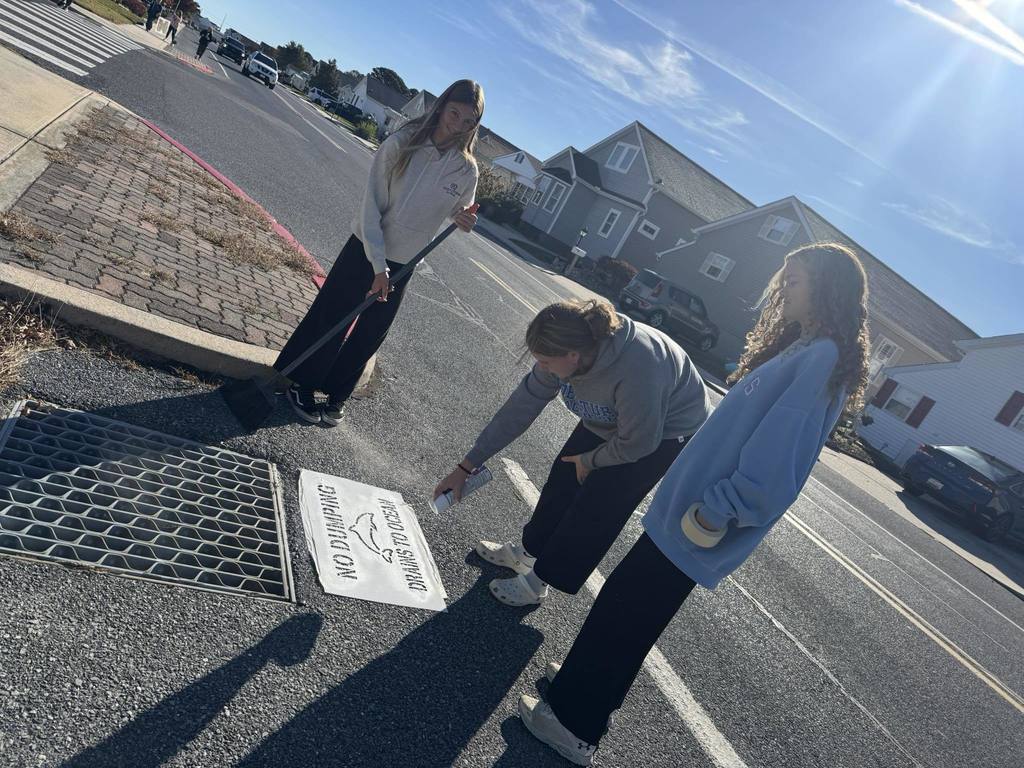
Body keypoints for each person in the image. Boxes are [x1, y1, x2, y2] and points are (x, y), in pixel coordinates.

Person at [515, 242, 870, 765]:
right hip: (689, 512)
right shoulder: (807, 348)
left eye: (795, 281)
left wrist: (716, 510)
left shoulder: (821, 359)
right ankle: (575, 695)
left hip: (702, 519)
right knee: (624, 608)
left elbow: (776, 460)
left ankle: (575, 726)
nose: (783, 289)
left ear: (828, 291)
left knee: (627, 614)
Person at [434, 299, 712, 608]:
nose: (542, 368)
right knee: (563, 479)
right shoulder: (565, 353)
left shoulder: (638, 368)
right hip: (617, 416)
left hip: (664, 431)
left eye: (547, 362)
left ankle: (538, 582)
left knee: (597, 504)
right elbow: (522, 406)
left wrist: (591, 460)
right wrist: (467, 466)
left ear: (573, 356)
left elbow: (639, 443)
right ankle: (528, 553)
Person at [273, 80, 482, 426]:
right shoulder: (402, 143)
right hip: (365, 248)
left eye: (467, 121)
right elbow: (371, 206)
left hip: (405, 262)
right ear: (443, 106)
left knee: (371, 331)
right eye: (454, 113)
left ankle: (337, 394)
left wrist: (462, 219)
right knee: (334, 315)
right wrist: (377, 266)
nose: (457, 124)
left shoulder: (466, 169)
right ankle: (302, 384)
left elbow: (459, 209)